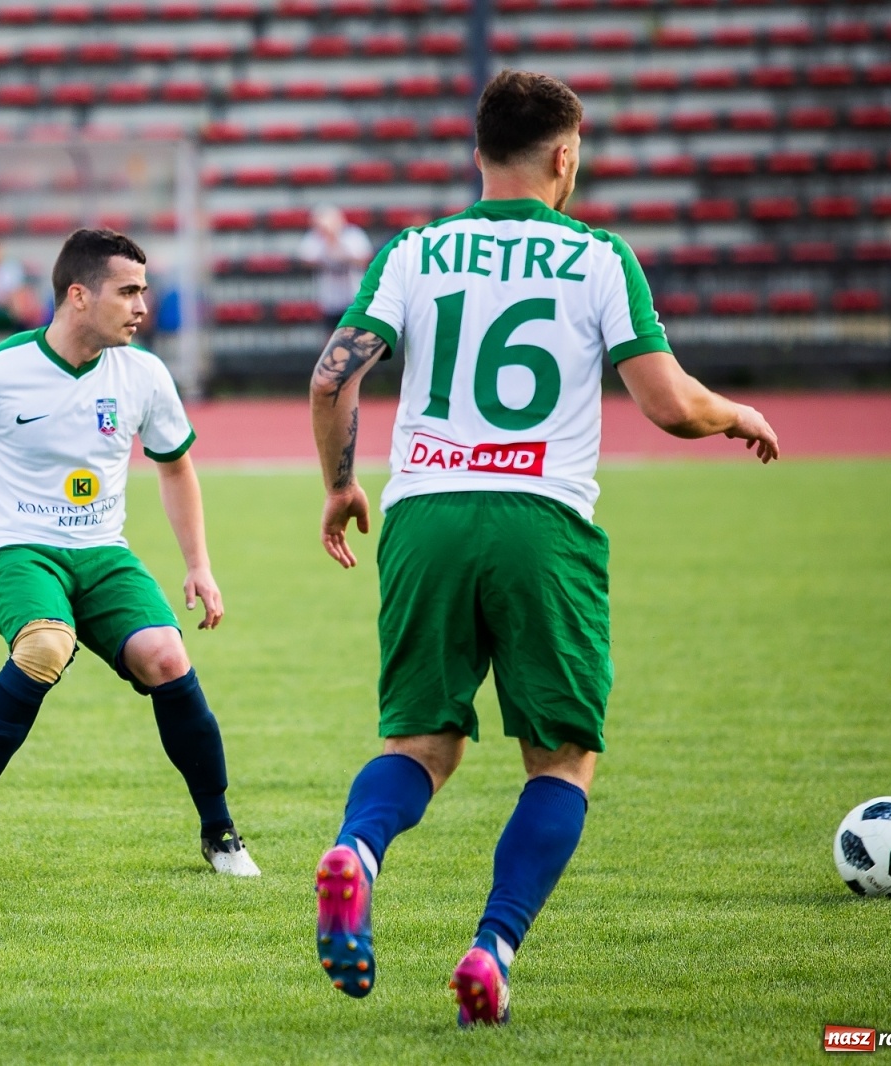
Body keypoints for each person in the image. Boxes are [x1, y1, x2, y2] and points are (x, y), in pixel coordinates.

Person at [307, 70, 779, 1022]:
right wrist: (736, 414)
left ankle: (356, 853)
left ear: (479, 153)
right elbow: (667, 403)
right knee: (562, 760)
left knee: (421, 744)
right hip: (540, 521)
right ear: (565, 156)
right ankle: (491, 950)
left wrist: (341, 484)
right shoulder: (598, 255)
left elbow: (330, 378)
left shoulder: (414, 250)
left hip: (426, 514)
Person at [0, 228, 259, 877]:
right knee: (46, 647)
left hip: (103, 552)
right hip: (19, 548)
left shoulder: (144, 374)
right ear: (79, 295)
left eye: (144, 290)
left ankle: (221, 834)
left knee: (167, 656)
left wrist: (199, 565)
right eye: (128, 291)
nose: (142, 305)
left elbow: (175, 468)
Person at [298, 205, 375, 319]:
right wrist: (328, 242)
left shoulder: (353, 235)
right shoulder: (314, 238)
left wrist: (336, 241)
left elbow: (364, 259)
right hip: (329, 299)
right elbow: (306, 261)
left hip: (354, 295)